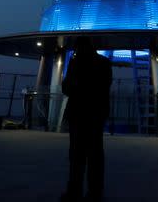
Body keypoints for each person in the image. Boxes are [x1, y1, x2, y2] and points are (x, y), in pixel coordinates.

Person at [60, 37, 112, 202]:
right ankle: (94, 193)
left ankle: (75, 192)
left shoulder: (76, 63)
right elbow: (103, 87)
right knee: (94, 156)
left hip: (80, 115)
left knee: (77, 157)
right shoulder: (103, 63)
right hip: (94, 115)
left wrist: (77, 88)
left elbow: (67, 87)